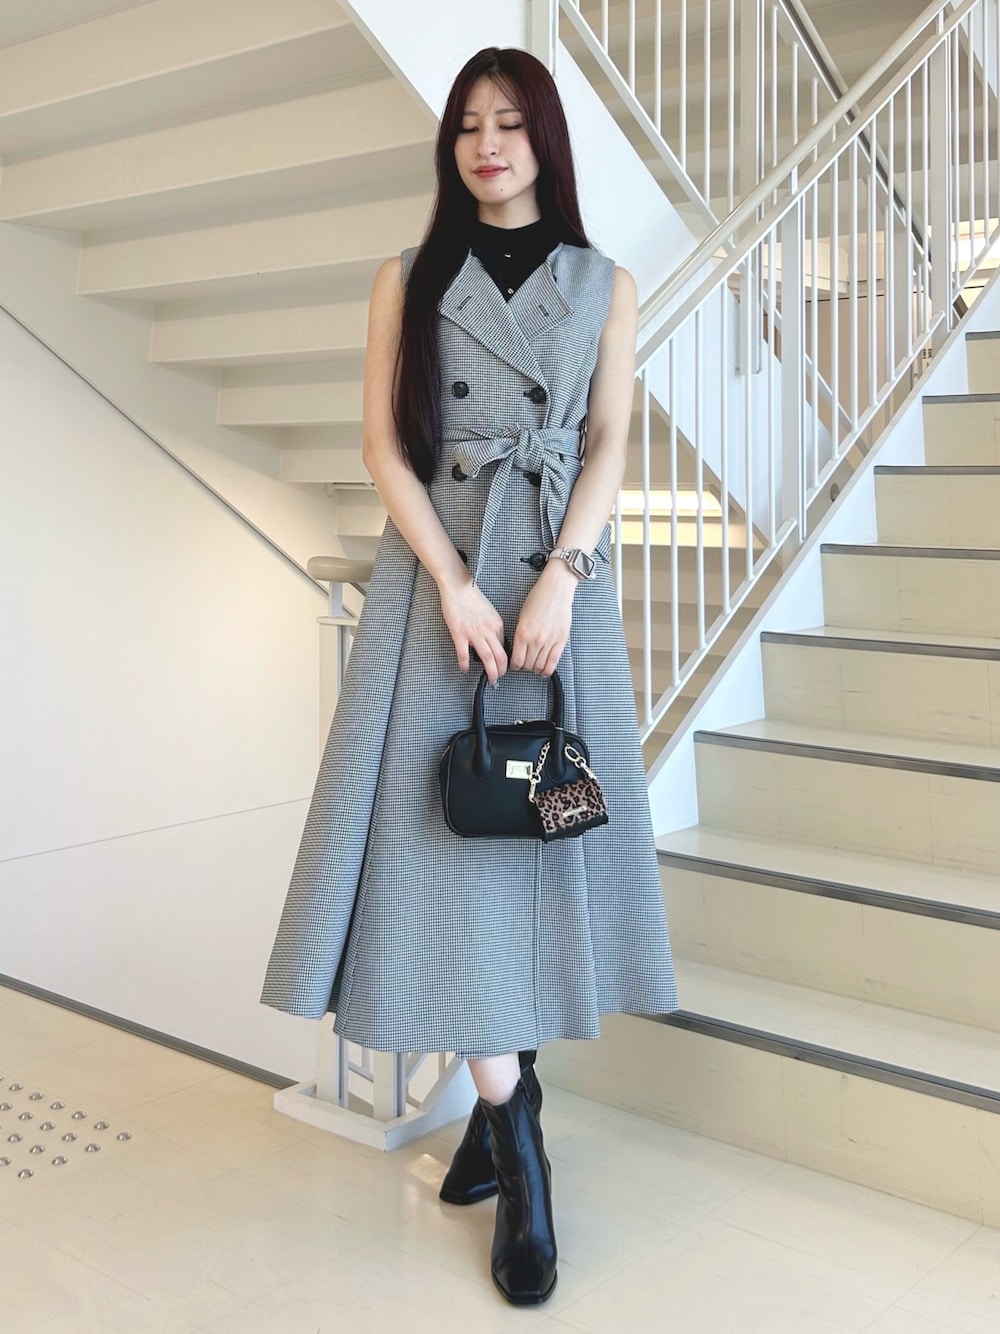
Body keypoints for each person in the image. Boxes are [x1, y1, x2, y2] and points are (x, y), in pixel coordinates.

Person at [260, 45, 678, 1307]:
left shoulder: (605, 281)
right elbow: (384, 446)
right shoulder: (408, 274)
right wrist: (450, 581)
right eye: (467, 125)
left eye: (509, 123)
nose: (487, 144)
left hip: (554, 588)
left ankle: (503, 1113)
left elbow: (608, 441)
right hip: (433, 593)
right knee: (438, 863)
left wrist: (562, 576)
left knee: (537, 851)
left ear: (544, 138)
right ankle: (519, 1138)